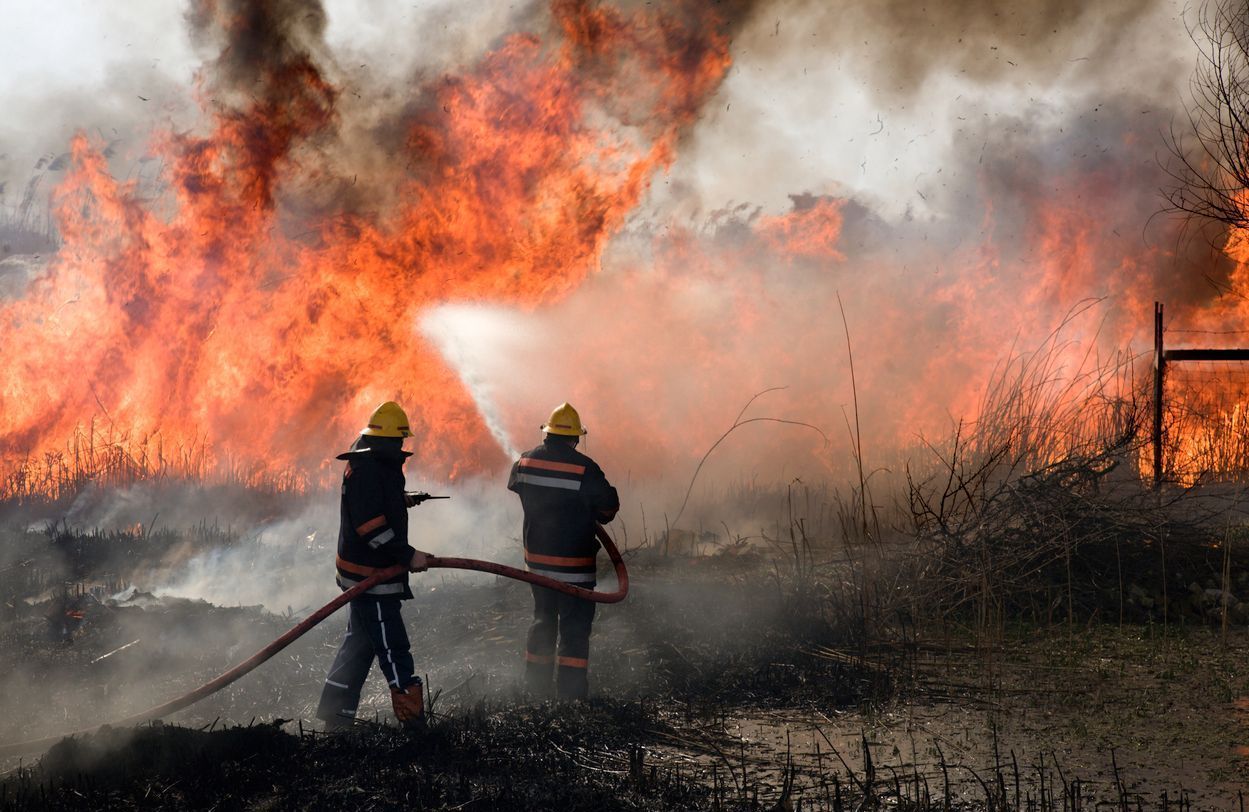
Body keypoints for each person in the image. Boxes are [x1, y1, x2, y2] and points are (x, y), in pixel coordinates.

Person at [316, 401, 432, 730]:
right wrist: (408, 555)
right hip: (373, 577)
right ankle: (414, 724)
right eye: (399, 441)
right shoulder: (369, 471)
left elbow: (371, 504)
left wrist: (400, 499)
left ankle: (335, 719)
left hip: (358, 572)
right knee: (393, 646)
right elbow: (371, 528)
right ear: (389, 442)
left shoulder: (366, 460)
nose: (401, 447)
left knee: (359, 643)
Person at [507, 402, 619, 700]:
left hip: (539, 566)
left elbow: (517, 487)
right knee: (574, 631)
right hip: (576, 569)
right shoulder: (586, 468)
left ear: (547, 433)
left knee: (543, 622)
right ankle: (571, 698)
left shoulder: (524, 462)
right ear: (576, 438)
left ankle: (536, 691)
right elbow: (607, 508)